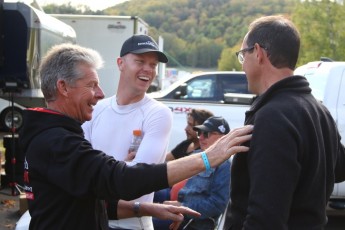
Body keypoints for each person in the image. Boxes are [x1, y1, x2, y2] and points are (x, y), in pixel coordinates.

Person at [19, 43, 253, 229]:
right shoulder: (56, 142)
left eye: (152, 64)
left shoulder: (54, 136)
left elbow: (91, 199)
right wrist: (207, 158)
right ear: (63, 87)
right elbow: (121, 180)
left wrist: (148, 209)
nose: (99, 94)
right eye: (92, 85)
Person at [223, 15, 345, 229]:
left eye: (243, 55)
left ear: (259, 53)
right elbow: (340, 169)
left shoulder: (273, 117)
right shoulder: (320, 110)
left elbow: (265, 219)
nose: (242, 66)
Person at [82, 34, 173, 229]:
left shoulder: (158, 113)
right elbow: (80, 172)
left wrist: (99, 173)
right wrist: (124, 164)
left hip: (132, 224)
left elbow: (137, 183)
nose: (148, 69)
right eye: (140, 61)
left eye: (153, 64)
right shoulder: (96, 108)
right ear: (120, 63)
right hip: (91, 220)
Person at [165, 116, 231, 230]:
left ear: (222, 138)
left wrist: (182, 207)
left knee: (141, 220)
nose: (200, 137)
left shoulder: (224, 165)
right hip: (178, 209)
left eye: (206, 133)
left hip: (192, 223)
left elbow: (217, 204)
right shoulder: (197, 155)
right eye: (199, 132)